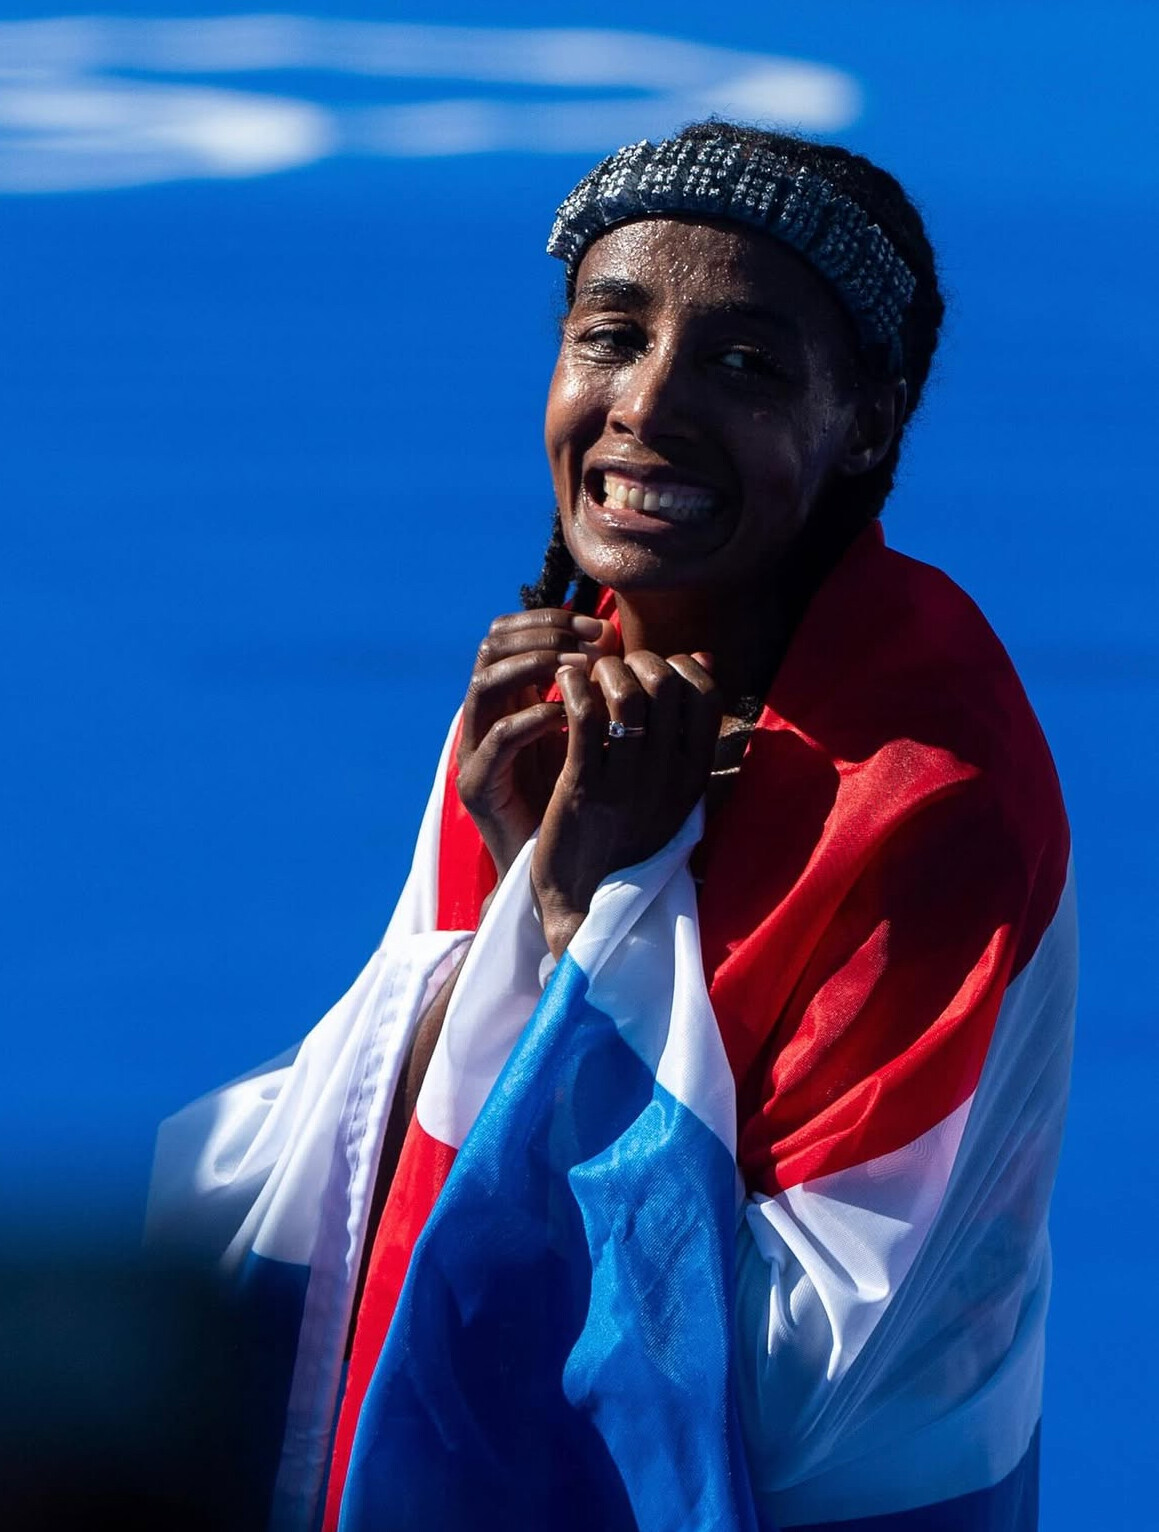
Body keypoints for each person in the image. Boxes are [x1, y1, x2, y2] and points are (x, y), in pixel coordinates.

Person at [148, 121, 1076, 1532]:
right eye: (610, 337)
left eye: (744, 363)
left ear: (869, 423)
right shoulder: (558, 688)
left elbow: (810, 1385)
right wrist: (532, 898)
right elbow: (385, 1143)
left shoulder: (930, 802)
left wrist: (591, 919)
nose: (646, 403)